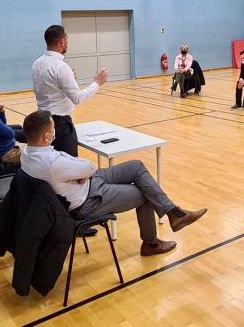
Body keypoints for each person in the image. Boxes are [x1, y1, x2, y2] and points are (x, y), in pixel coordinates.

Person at [20, 110, 207, 256]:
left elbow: (81, 168)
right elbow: (90, 166)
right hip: (87, 200)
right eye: (53, 129)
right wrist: (80, 171)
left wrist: (78, 172)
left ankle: (175, 213)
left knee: (136, 166)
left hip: (84, 183)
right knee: (146, 193)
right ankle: (152, 243)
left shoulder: (27, 154)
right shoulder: (52, 164)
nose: (56, 132)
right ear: (46, 137)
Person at [32, 25, 107, 157]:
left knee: (50, 161)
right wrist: (97, 83)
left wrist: (67, 78)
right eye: (66, 39)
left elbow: (48, 85)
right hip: (60, 126)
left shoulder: (37, 63)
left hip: (42, 121)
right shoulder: (61, 67)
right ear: (62, 41)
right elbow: (77, 98)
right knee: (68, 163)